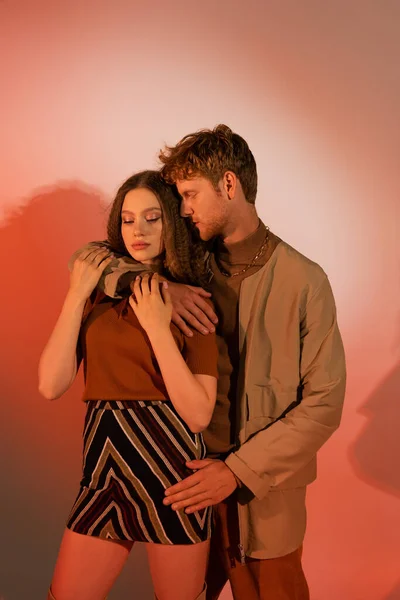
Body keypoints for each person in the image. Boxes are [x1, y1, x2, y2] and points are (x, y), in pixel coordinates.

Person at [73, 124, 347, 600]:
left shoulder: (306, 281)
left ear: (229, 185)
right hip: (183, 479)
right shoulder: (189, 261)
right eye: (177, 197)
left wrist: (237, 470)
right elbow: (90, 258)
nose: (182, 209)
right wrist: (160, 287)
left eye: (190, 194)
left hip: (261, 497)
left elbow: (323, 404)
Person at [38, 170, 218, 600]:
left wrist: (158, 327)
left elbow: (197, 414)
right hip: (104, 466)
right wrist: (75, 296)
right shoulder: (100, 289)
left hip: (173, 474)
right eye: (128, 219)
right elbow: (50, 385)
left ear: (172, 222)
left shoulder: (191, 302)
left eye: (153, 218)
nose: (138, 230)